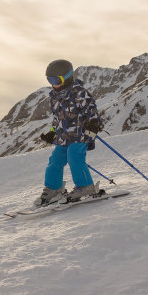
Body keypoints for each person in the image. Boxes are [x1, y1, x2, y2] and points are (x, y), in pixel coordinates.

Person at [35, 59, 103, 206]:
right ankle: (54, 189)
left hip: (80, 135)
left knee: (74, 157)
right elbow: (57, 119)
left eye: (55, 79)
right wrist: (52, 132)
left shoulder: (79, 92)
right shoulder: (54, 97)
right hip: (63, 137)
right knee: (55, 161)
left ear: (66, 78)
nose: (53, 83)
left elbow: (91, 110)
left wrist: (93, 124)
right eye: (49, 80)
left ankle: (86, 187)